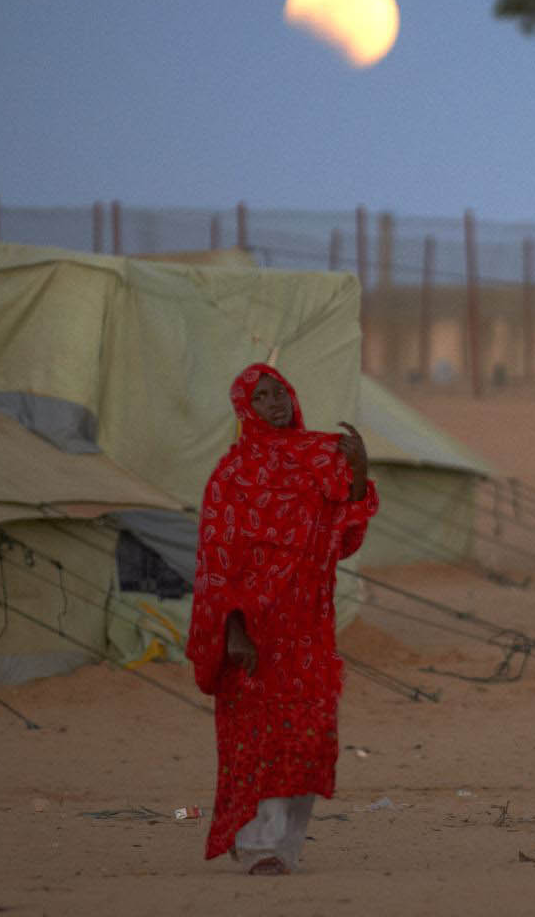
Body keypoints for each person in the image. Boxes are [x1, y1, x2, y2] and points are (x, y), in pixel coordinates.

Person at [185, 362, 376, 875]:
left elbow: (347, 536)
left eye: (280, 393)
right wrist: (233, 630)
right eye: (262, 396)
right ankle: (258, 847)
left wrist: (358, 469)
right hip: (257, 633)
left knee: (307, 738)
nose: (275, 404)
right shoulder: (232, 475)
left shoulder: (320, 458)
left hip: (309, 630)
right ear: (245, 408)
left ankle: (284, 848)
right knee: (259, 741)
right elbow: (217, 559)